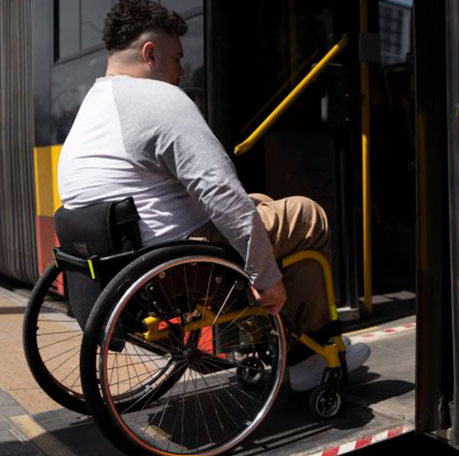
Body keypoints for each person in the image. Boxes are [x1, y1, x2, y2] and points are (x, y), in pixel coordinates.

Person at [56, 0, 369, 392]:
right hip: (180, 264)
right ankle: (310, 357)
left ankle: (283, 335)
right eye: (177, 58)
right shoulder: (160, 100)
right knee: (306, 216)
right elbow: (220, 192)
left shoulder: (91, 108)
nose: (182, 70)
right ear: (150, 54)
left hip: (128, 263)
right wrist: (265, 275)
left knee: (260, 204)